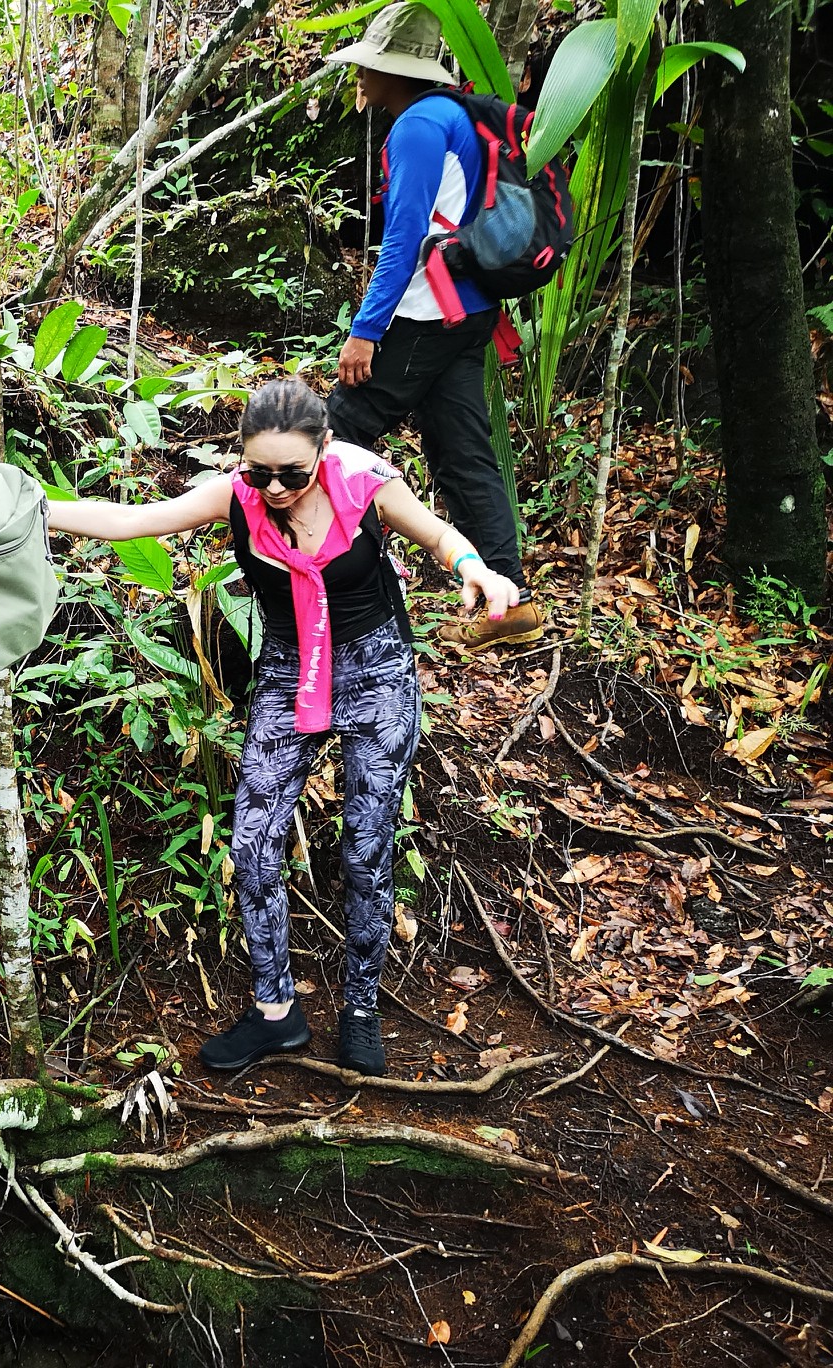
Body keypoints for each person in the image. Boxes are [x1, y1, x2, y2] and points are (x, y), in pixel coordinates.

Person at [44, 379, 517, 1077]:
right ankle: (275, 1012)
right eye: (258, 470)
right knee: (255, 844)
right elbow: (134, 520)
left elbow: (442, 536)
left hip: (377, 672)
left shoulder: (365, 481)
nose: (273, 488)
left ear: (323, 451)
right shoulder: (235, 494)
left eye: (291, 474)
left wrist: (479, 570)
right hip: (289, 672)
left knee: (365, 848)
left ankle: (360, 1007)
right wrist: (31, 509)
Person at [323, 2, 546, 650]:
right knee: (461, 453)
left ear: (398, 73)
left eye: (370, 68)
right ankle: (511, 602)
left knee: (342, 427)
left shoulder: (418, 126)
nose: (361, 79)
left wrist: (366, 329)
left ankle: (342, 589)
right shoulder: (455, 115)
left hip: (427, 312)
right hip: (469, 313)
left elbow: (404, 237)